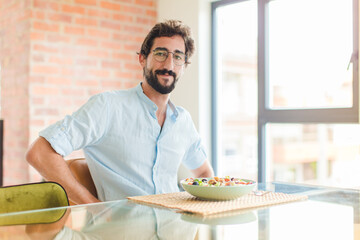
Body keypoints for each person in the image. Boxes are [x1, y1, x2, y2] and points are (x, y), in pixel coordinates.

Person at [26, 20, 214, 204]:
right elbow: (39, 153)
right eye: (160, 53)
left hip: (172, 230)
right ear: (142, 58)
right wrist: (94, 207)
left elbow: (204, 173)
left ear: (184, 66)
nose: (169, 65)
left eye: (178, 56)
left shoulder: (183, 120)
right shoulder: (108, 106)